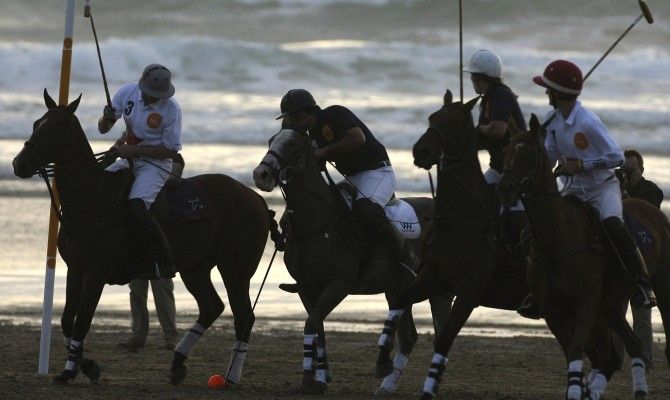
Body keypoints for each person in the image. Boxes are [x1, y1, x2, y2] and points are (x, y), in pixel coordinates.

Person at [520, 59, 656, 318]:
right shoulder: (551, 121)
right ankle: (537, 290)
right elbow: (549, 158)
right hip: (572, 189)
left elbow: (616, 157)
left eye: (548, 89)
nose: (546, 93)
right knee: (544, 225)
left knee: (613, 225)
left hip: (601, 188)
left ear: (558, 93)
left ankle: (641, 283)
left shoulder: (589, 122)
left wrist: (581, 164)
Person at [276, 89, 414, 270]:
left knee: (367, 211)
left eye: (292, 117)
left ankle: (408, 261)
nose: (290, 123)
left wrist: (323, 153)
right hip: (352, 179)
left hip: (378, 172)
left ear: (302, 113)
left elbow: (358, 138)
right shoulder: (311, 137)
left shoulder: (334, 113)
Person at [98, 63, 182, 280]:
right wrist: (106, 117)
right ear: (142, 85)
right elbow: (103, 128)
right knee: (98, 186)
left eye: (159, 95)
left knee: (137, 206)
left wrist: (132, 149)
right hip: (128, 158)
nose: (155, 98)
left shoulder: (172, 109)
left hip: (155, 165)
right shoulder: (127, 92)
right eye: (152, 94)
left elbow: (171, 151)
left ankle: (163, 259)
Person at [118, 154, 184, 352]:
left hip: (158, 236)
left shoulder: (170, 155)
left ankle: (170, 337)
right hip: (138, 236)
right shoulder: (135, 153)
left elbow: (175, 176)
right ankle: (138, 336)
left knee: (161, 289)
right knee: (137, 289)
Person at [463, 49, 527, 184]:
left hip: (513, 170)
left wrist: (480, 129)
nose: (471, 79)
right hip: (498, 167)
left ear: (480, 78)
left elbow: (497, 130)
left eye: (473, 76)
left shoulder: (499, 94)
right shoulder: (489, 97)